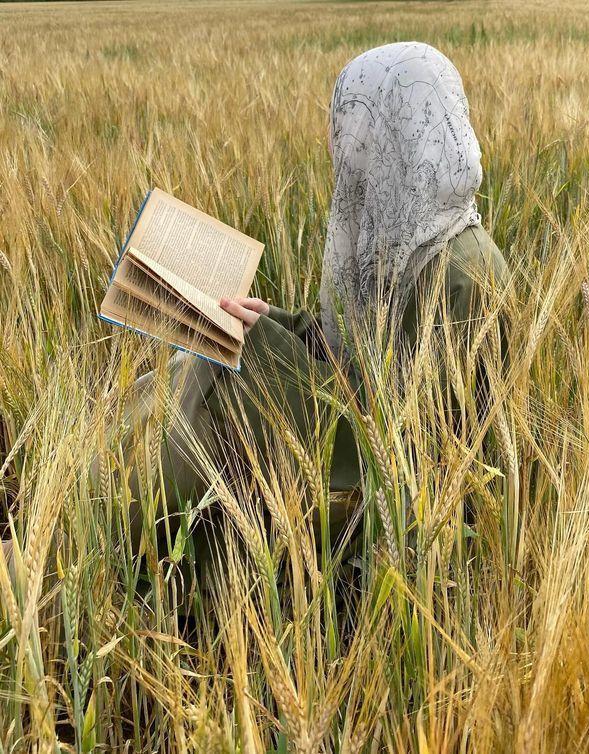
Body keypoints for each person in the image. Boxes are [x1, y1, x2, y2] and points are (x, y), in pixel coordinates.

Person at [2, 41, 510, 583]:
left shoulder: (464, 278)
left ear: (391, 139)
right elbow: (357, 360)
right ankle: (61, 506)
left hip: (376, 503)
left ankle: (61, 552)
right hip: (344, 449)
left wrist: (269, 353)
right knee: (186, 373)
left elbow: (413, 456)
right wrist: (277, 324)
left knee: (200, 418)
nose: (342, 153)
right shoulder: (410, 238)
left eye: (354, 132)